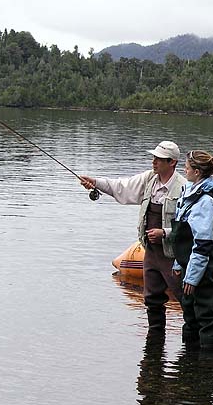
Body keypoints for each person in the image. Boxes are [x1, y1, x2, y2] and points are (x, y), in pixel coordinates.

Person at [79, 141, 187, 334]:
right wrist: (95, 183)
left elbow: (189, 226)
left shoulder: (183, 188)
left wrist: (165, 233)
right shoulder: (149, 179)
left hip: (174, 254)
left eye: (159, 159)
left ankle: (194, 344)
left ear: (172, 163)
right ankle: (155, 341)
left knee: (184, 297)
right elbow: (122, 187)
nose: (154, 162)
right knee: (152, 297)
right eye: (154, 158)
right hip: (151, 252)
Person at [167, 150, 213, 351]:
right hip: (187, 264)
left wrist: (192, 277)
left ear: (198, 172)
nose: (185, 170)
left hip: (201, 269)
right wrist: (178, 262)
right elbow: (182, 237)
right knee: (189, 312)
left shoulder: (205, 202)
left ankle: (208, 365)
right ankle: (189, 363)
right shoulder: (190, 193)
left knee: (205, 315)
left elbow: (202, 244)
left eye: (187, 168)